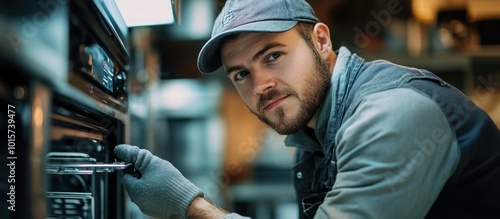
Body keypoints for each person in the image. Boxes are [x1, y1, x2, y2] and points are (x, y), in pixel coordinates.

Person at [114, 0, 500, 218]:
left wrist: (188, 206)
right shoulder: (313, 135)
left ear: (320, 40)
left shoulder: (391, 113)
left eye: (274, 55)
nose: (261, 84)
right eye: (241, 74)